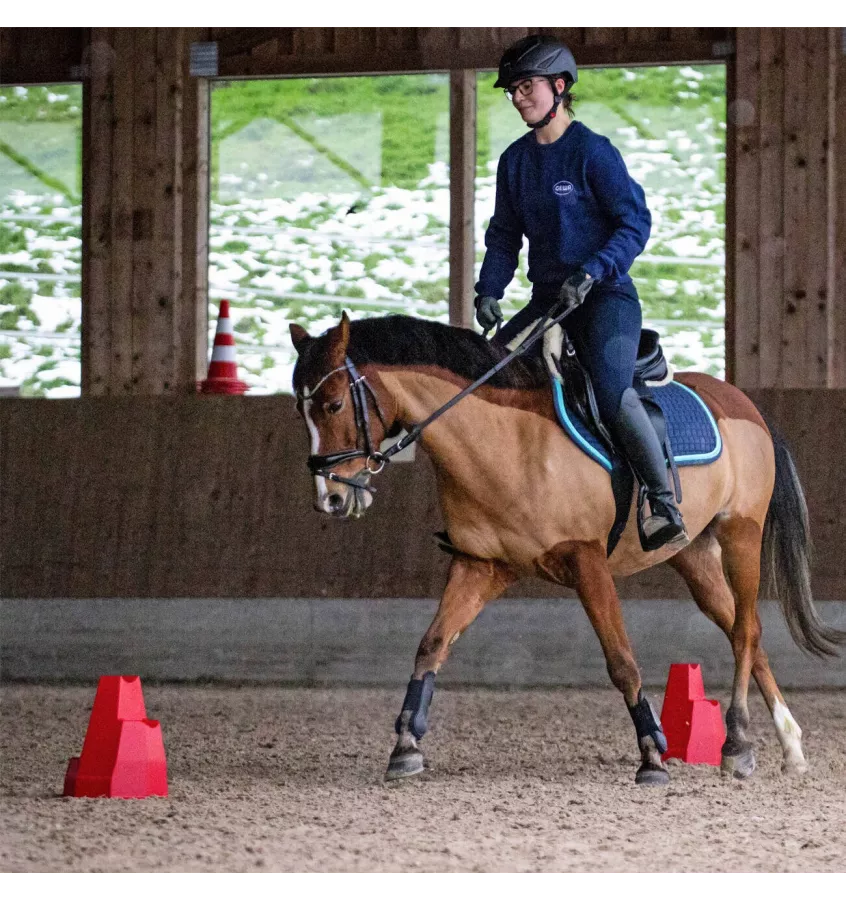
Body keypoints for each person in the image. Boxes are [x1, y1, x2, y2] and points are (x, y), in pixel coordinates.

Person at [475, 34, 688, 552]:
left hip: (604, 297)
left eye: (526, 87)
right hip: (548, 302)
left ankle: (662, 502)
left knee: (613, 394)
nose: (518, 97)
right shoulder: (514, 162)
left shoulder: (594, 153)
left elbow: (635, 223)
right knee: (487, 375)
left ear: (560, 86)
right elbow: (505, 235)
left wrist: (593, 271)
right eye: (513, 91)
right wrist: (488, 289)